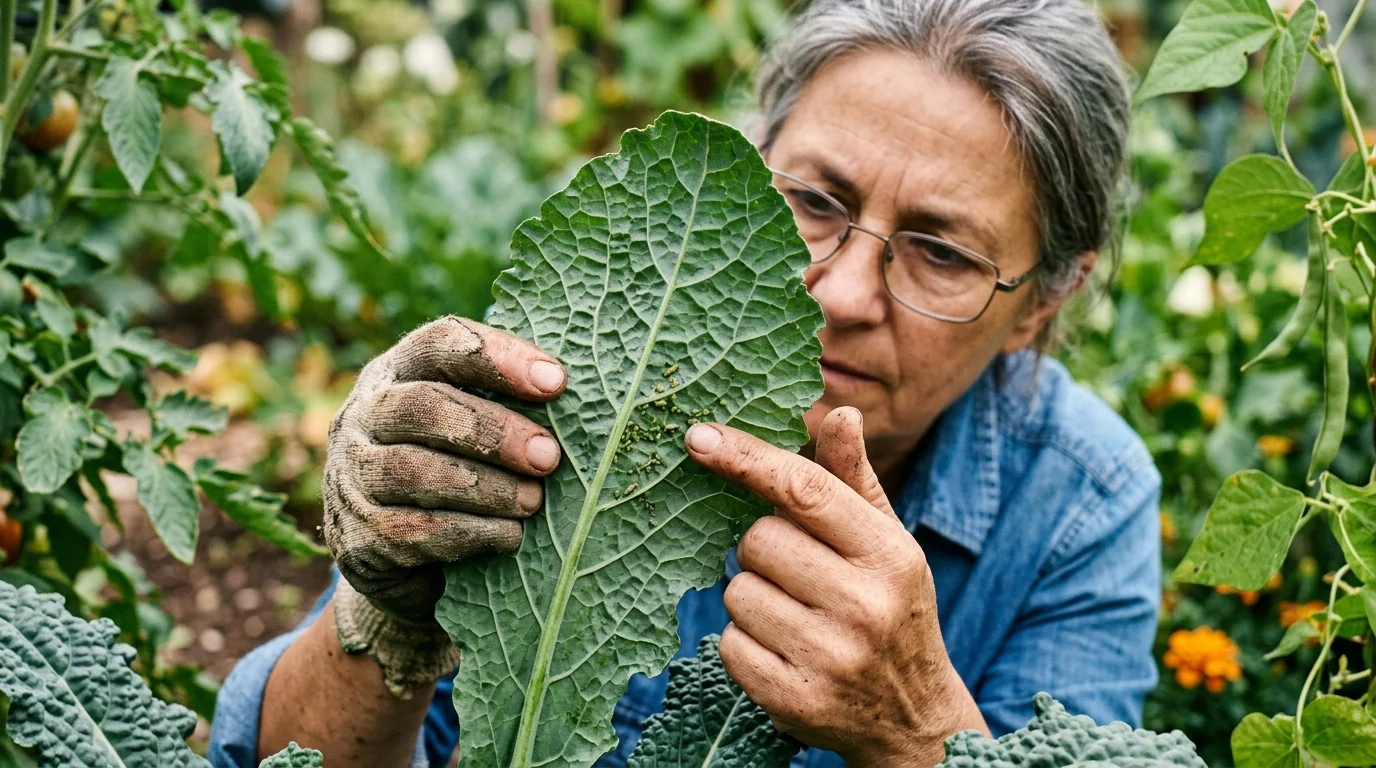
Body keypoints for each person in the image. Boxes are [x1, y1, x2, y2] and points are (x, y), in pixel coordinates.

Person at [210, 0, 1160, 765]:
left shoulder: (1078, 504)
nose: (841, 293)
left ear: (1042, 302)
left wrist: (914, 734)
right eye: (812, 201)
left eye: (941, 253)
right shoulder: (577, 396)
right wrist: (387, 612)